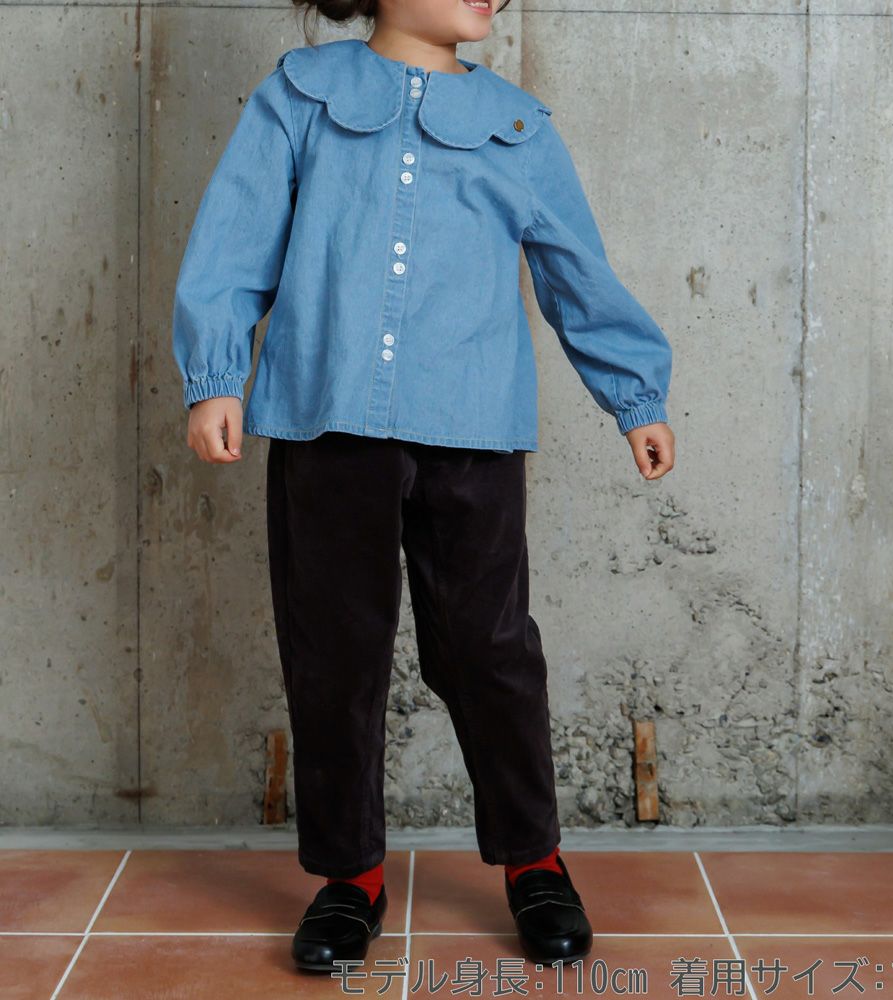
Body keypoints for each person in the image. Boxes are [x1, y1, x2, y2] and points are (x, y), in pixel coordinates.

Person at [171, 0, 675, 977]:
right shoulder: (301, 97)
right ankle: (349, 876)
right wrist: (216, 376)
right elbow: (236, 235)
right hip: (326, 420)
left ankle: (534, 859)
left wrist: (635, 396)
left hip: (472, 428)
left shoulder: (518, 126)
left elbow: (576, 268)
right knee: (333, 654)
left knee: (491, 650)